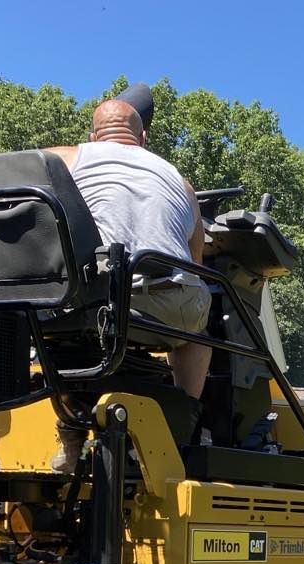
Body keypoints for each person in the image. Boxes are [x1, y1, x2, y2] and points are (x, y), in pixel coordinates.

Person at [44, 86, 211, 470]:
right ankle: (182, 429)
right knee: (197, 332)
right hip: (166, 302)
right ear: (144, 139)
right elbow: (197, 261)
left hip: (98, 299)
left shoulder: (68, 158)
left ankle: (71, 442)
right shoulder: (179, 181)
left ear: (92, 136)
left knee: (66, 327)